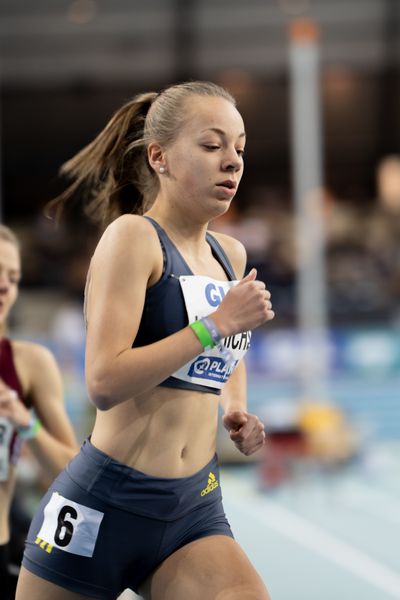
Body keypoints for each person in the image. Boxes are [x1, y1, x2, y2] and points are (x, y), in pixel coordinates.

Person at [16, 80, 275, 600]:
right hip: (102, 506)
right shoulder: (133, 238)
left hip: (193, 507)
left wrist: (237, 406)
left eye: (240, 148)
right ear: (159, 156)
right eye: (212, 145)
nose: (232, 162)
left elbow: (228, 350)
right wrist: (215, 324)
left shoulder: (231, 256)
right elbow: (104, 381)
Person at [0, 224, 79, 599]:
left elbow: (72, 474)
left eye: (13, 277)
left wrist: (24, 421)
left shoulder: (29, 363)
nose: (5, 286)